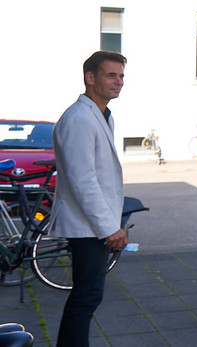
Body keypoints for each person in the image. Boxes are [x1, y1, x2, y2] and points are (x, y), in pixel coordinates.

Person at [50, 50, 128, 347]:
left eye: (121, 76)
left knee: (88, 296)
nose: (118, 82)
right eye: (111, 75)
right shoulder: (80, 118)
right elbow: (83, 181)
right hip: (89, 226)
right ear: (90, 78)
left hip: (94, 224)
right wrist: (109, 227)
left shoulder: (102, 115)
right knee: (86, 297)